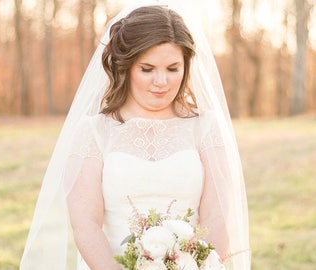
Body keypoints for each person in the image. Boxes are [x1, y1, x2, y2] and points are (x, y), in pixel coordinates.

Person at [20, 1, 251, 270]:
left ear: (186, 67)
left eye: (173, 68)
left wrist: (198, 265)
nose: (161, 81)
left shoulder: (206, 127)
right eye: (147, 69)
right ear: (125, 66)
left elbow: (217, 215)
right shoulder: (95, 131)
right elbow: (86, 224)